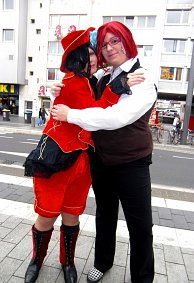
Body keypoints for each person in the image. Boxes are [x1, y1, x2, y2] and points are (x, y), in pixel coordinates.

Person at [51, 21, 157, 283]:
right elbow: (81, 88)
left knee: (140, 226)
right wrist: (59, 90)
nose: (109, 48)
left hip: (132, 163)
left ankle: (142, 278)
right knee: (105, 215)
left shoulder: (142, 77)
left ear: (127, 40)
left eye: (115, 41)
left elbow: (114, 117)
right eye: (104, 44)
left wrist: (71, 114)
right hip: (101, 161)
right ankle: (102, 261)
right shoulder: (103, 77)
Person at [23, 27, 131, 283]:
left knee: (72, 215)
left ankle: (67, 262)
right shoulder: (72, 83)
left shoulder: (88, 81)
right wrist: (118, 87)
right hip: (57, 162)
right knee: (46, 216)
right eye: (90, 53)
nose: (95, 58)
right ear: (78, 57)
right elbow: (96, 110)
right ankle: (36, 261)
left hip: (81, 162)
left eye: (95, 53)